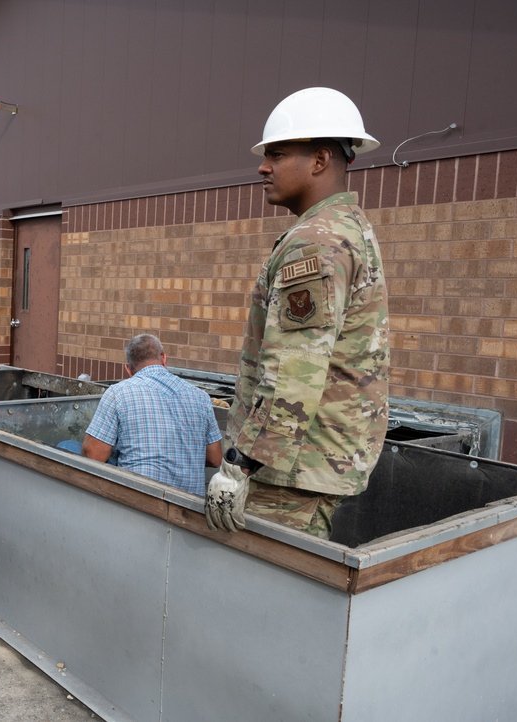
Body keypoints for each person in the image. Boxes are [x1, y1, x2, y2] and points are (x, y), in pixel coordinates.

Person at [205, 87, 390, 539]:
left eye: (278, 153)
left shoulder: (316, 243)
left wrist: (239, 465)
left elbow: (294, 371)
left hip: (290, 468)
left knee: (264, 595)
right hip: (309, 459)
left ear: (320, 160)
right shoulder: (344, 229)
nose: (263, 167)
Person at [80, 334, 222, 495]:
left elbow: (94, 454)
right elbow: (215, 458)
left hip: (140, 502)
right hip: (189, 505)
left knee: (68, 445)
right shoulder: (200, 397)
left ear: (128, 369)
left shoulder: (118, 392)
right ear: (164, 358)